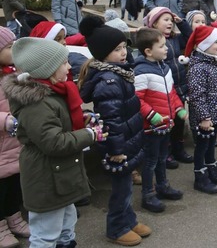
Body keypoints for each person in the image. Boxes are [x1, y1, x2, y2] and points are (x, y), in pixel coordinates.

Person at [3, 37, 105, 248]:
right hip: (46, 176)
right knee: (46, 234)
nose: (69, 66)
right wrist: (89, 134)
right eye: (64, 62)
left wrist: (81, 119)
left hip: (59, 175)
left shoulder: (54, 92)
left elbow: (59, 123)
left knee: (67, 223)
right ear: (47, 69)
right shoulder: (36, 103)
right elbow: (54, 142)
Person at [77, 17, 150, 246]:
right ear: (103, 53)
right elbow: (111, 119)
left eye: (124, 48)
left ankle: (128, 219)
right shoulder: (109, 80)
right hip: (118, 144)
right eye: (117, 49)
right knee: (121, 189)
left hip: (127, 139)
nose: (124, 53)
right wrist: (116, 149)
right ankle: (117, 227)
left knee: (126, 185)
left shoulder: (120, 72)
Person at [134, 28, 186, 213]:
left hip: (166, 124)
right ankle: (148, 194)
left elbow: (171, 93)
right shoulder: (140, 71)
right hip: (151, 127)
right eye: (162, 46)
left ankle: (163, 186)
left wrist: (178, 108)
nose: (166, 49)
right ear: (148, 51)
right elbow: (137, 99)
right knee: (150, 161)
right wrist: (151, 115)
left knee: (163, 157)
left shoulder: (165, 67)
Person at [182, 25, 217, 194]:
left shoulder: (216, 62)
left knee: (211, 144)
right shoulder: (198, 67)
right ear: (203, 45)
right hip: (206, 116)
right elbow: (197, 95)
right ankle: (200, 176)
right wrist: (204, 117)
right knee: (202, 146)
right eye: (216, 42)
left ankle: (212, 168)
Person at [143, 7, 193, 168]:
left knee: (179, 121)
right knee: (166, 122)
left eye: (171, 20)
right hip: (162, 88)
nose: (170, 22)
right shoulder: (151, 43)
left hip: (179, 86)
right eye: (165, 19)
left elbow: (191, 37)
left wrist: (182, 23)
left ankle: (179, 149)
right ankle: (167, 153)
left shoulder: (174, 39)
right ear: (154, 23)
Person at [0, 28, 30, 248]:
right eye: (9, 47)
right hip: (2, 145)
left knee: (14, 185)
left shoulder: (13, 73)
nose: (15, 49)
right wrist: (4, 120)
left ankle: (14, 217)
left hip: (15, 143)